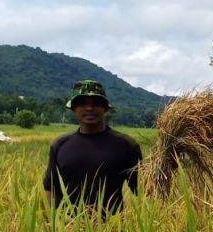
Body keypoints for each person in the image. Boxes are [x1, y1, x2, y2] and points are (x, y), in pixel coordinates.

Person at [43, 80, 142, 214]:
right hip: (68, 230)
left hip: (112, 229)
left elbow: (142, 189)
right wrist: (48, 226)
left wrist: (167, 165)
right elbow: (51, 189)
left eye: (96, 103)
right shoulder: (60, 145)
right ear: (73, 108)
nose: (89, 108)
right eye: (82, 103)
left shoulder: (126, 145)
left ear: (105, 108)